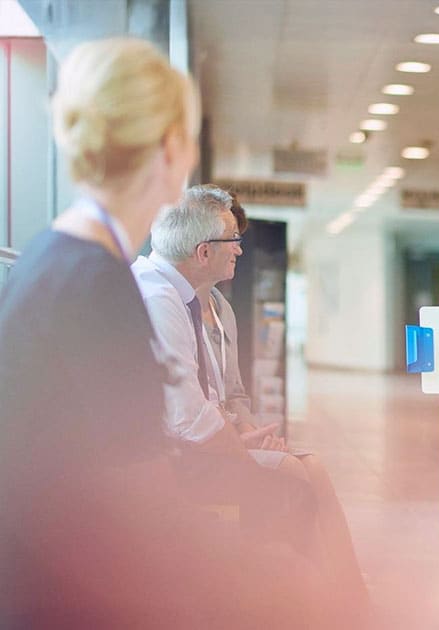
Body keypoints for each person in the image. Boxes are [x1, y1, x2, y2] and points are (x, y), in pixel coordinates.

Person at [0, 37, 327, 628]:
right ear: (172, 147)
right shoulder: (99, 285)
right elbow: (139, 509)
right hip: (65, 590)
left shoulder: (54, 258)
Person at [132, 184, 367, 612]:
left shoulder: (199, 300)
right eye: (233, 241)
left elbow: (224, 397)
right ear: (203, 252)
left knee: (306, 466)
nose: (240, 250)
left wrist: (246, 431)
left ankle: (337, 599)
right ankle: (301, 604)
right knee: (292, 479)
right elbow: (187, 416)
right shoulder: (159, 300)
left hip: (194, 444)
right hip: (168, 459)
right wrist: (239, 445)